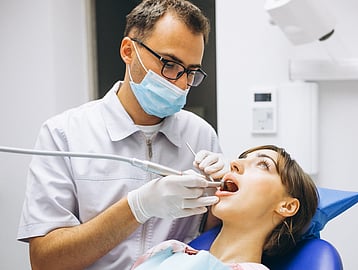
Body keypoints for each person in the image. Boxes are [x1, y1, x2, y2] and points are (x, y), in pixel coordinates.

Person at [16, 1, 228, 269]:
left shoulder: (200, 135)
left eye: (191, 71)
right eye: (170, 64)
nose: (181, 83)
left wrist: (223, 192)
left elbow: (215, 240)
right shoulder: (64, 135)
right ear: (129, 51)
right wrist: (136, 207)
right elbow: (45, 260)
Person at [130, 145, 319, 269]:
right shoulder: (168, 251)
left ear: (287, 206)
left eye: (263, 165)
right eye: (240, 159)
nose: (234, 164)